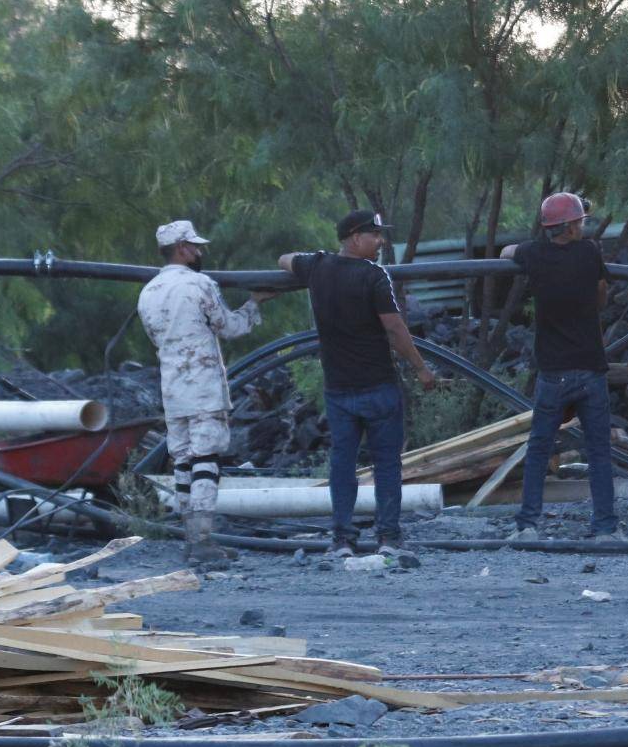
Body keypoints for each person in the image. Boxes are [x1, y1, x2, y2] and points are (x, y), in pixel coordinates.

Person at [280, 211, 438, 560]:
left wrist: (304, 259)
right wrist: (422, 369)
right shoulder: (374, 276)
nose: (380, 242)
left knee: (342, 464)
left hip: (338, 390)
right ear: (354, 237)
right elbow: (395, 330)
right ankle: (388, 537)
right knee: (387, 464)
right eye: (374, 235)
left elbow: (284, 259)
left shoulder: (317, 267)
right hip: (378, 385)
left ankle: (342, 539)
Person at [137, 220, 271, 566]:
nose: (199, 252)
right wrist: (254, 303)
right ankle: (203, 540)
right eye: (195, 247)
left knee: (182, 461)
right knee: (206, 459)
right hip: (203, 386)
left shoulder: (148, 292)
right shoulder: (199, 284)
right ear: (182, 248)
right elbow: (230, 327)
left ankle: (190, 538)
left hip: (172, 387)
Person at [500, 192, 623, 541]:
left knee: (539, 448)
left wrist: (522, 250)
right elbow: (600, 295)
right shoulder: (589, 253)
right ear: (570, 226)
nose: (583, 225)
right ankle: (605, 528)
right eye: (581, 220)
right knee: (599, 450)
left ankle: (527, 526)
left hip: (553, 372)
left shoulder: (533, 255)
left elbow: (507, 253)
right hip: (589, 368)